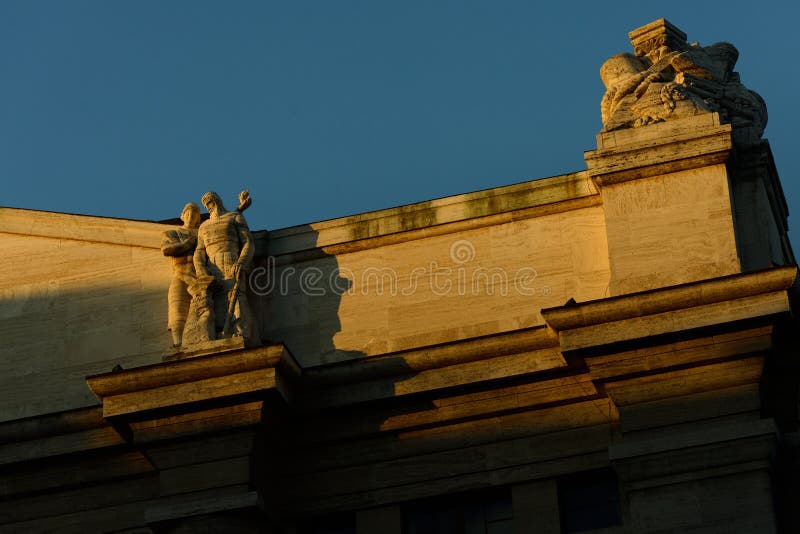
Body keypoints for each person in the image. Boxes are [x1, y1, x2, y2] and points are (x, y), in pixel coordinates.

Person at [193, 191, 255, 339]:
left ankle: (240, 330)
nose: (209, 207)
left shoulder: (234, 217)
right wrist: (201, 270)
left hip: (231, 260)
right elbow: (199, 251)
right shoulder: (203, 226)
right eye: (206, 205)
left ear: (217, 201)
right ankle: (218, 332)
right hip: (211, 266)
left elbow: (248, 242)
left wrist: (241, 262)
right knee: (215, 299)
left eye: (210, 202)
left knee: (235, 295)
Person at [160, 202, 202, 347]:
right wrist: (187, 244)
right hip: (180, 274)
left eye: (194, 214)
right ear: (182, 216)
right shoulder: (172, 233)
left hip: (199, 277)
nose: (191, 216)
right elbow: (166, 249)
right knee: (177, 309)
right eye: (188, 213)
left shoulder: (202, 233)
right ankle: (178, 343)